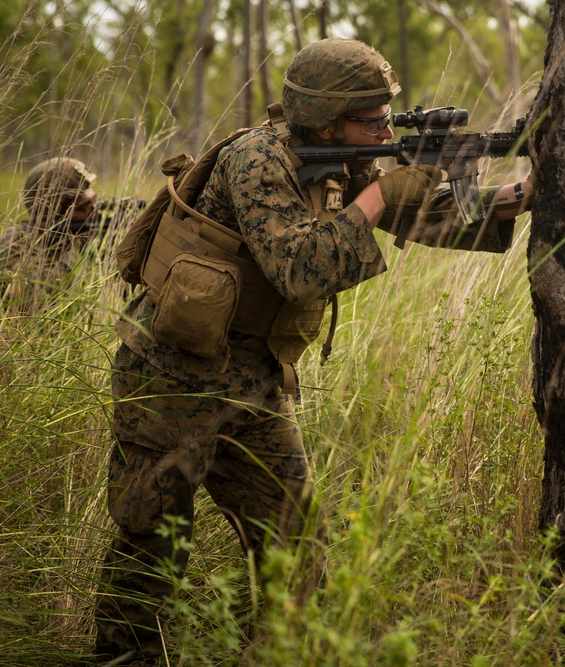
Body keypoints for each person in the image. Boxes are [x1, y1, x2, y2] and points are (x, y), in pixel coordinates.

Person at [94, 38, 533, 665]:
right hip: (173, 372)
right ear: (327, 118)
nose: (386, 127)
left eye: (388, 115)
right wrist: (382, 193)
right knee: (153, 538)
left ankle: (274, 654)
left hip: (255, 377)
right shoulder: (257, 159)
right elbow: (299, 269)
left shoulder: (345, 162)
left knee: (292, 537)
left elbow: (429, 217)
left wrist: (522, 192)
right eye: (371, 118)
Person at [0, 157, 99, 283]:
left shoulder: (76, 237)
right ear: (54, 212)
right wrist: (74, 251)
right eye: (84, 207)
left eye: (96, 200)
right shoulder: (15, 243)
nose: (95, 210)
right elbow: (32, 293)